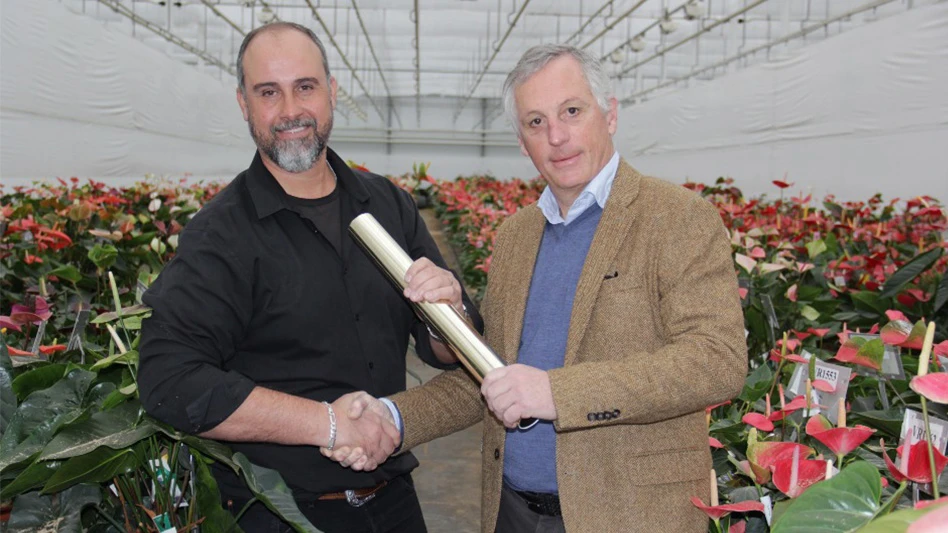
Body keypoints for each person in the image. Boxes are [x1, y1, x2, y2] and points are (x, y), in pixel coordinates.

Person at [327, 44, 748, 532]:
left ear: (610, 114)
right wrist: (391, 418)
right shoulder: (516, 236)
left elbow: (715, 360)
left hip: (630, 515)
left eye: (572, 111)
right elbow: (488, 378)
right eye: (536, 122)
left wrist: (556, 392)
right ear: (522, 143)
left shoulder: (677, 218)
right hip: (512, 512)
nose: (557, 136)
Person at [137, 21, 481, 533]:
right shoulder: (220, 235)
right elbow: (169, 379)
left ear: (331, 91)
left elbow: (447, 351)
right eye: (268, 92)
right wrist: (328, 423)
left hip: (393, 503)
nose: (290, 110)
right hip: (281, 514)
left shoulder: (387, 204)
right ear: (243, 104)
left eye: (305, 86)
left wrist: (447, 318)